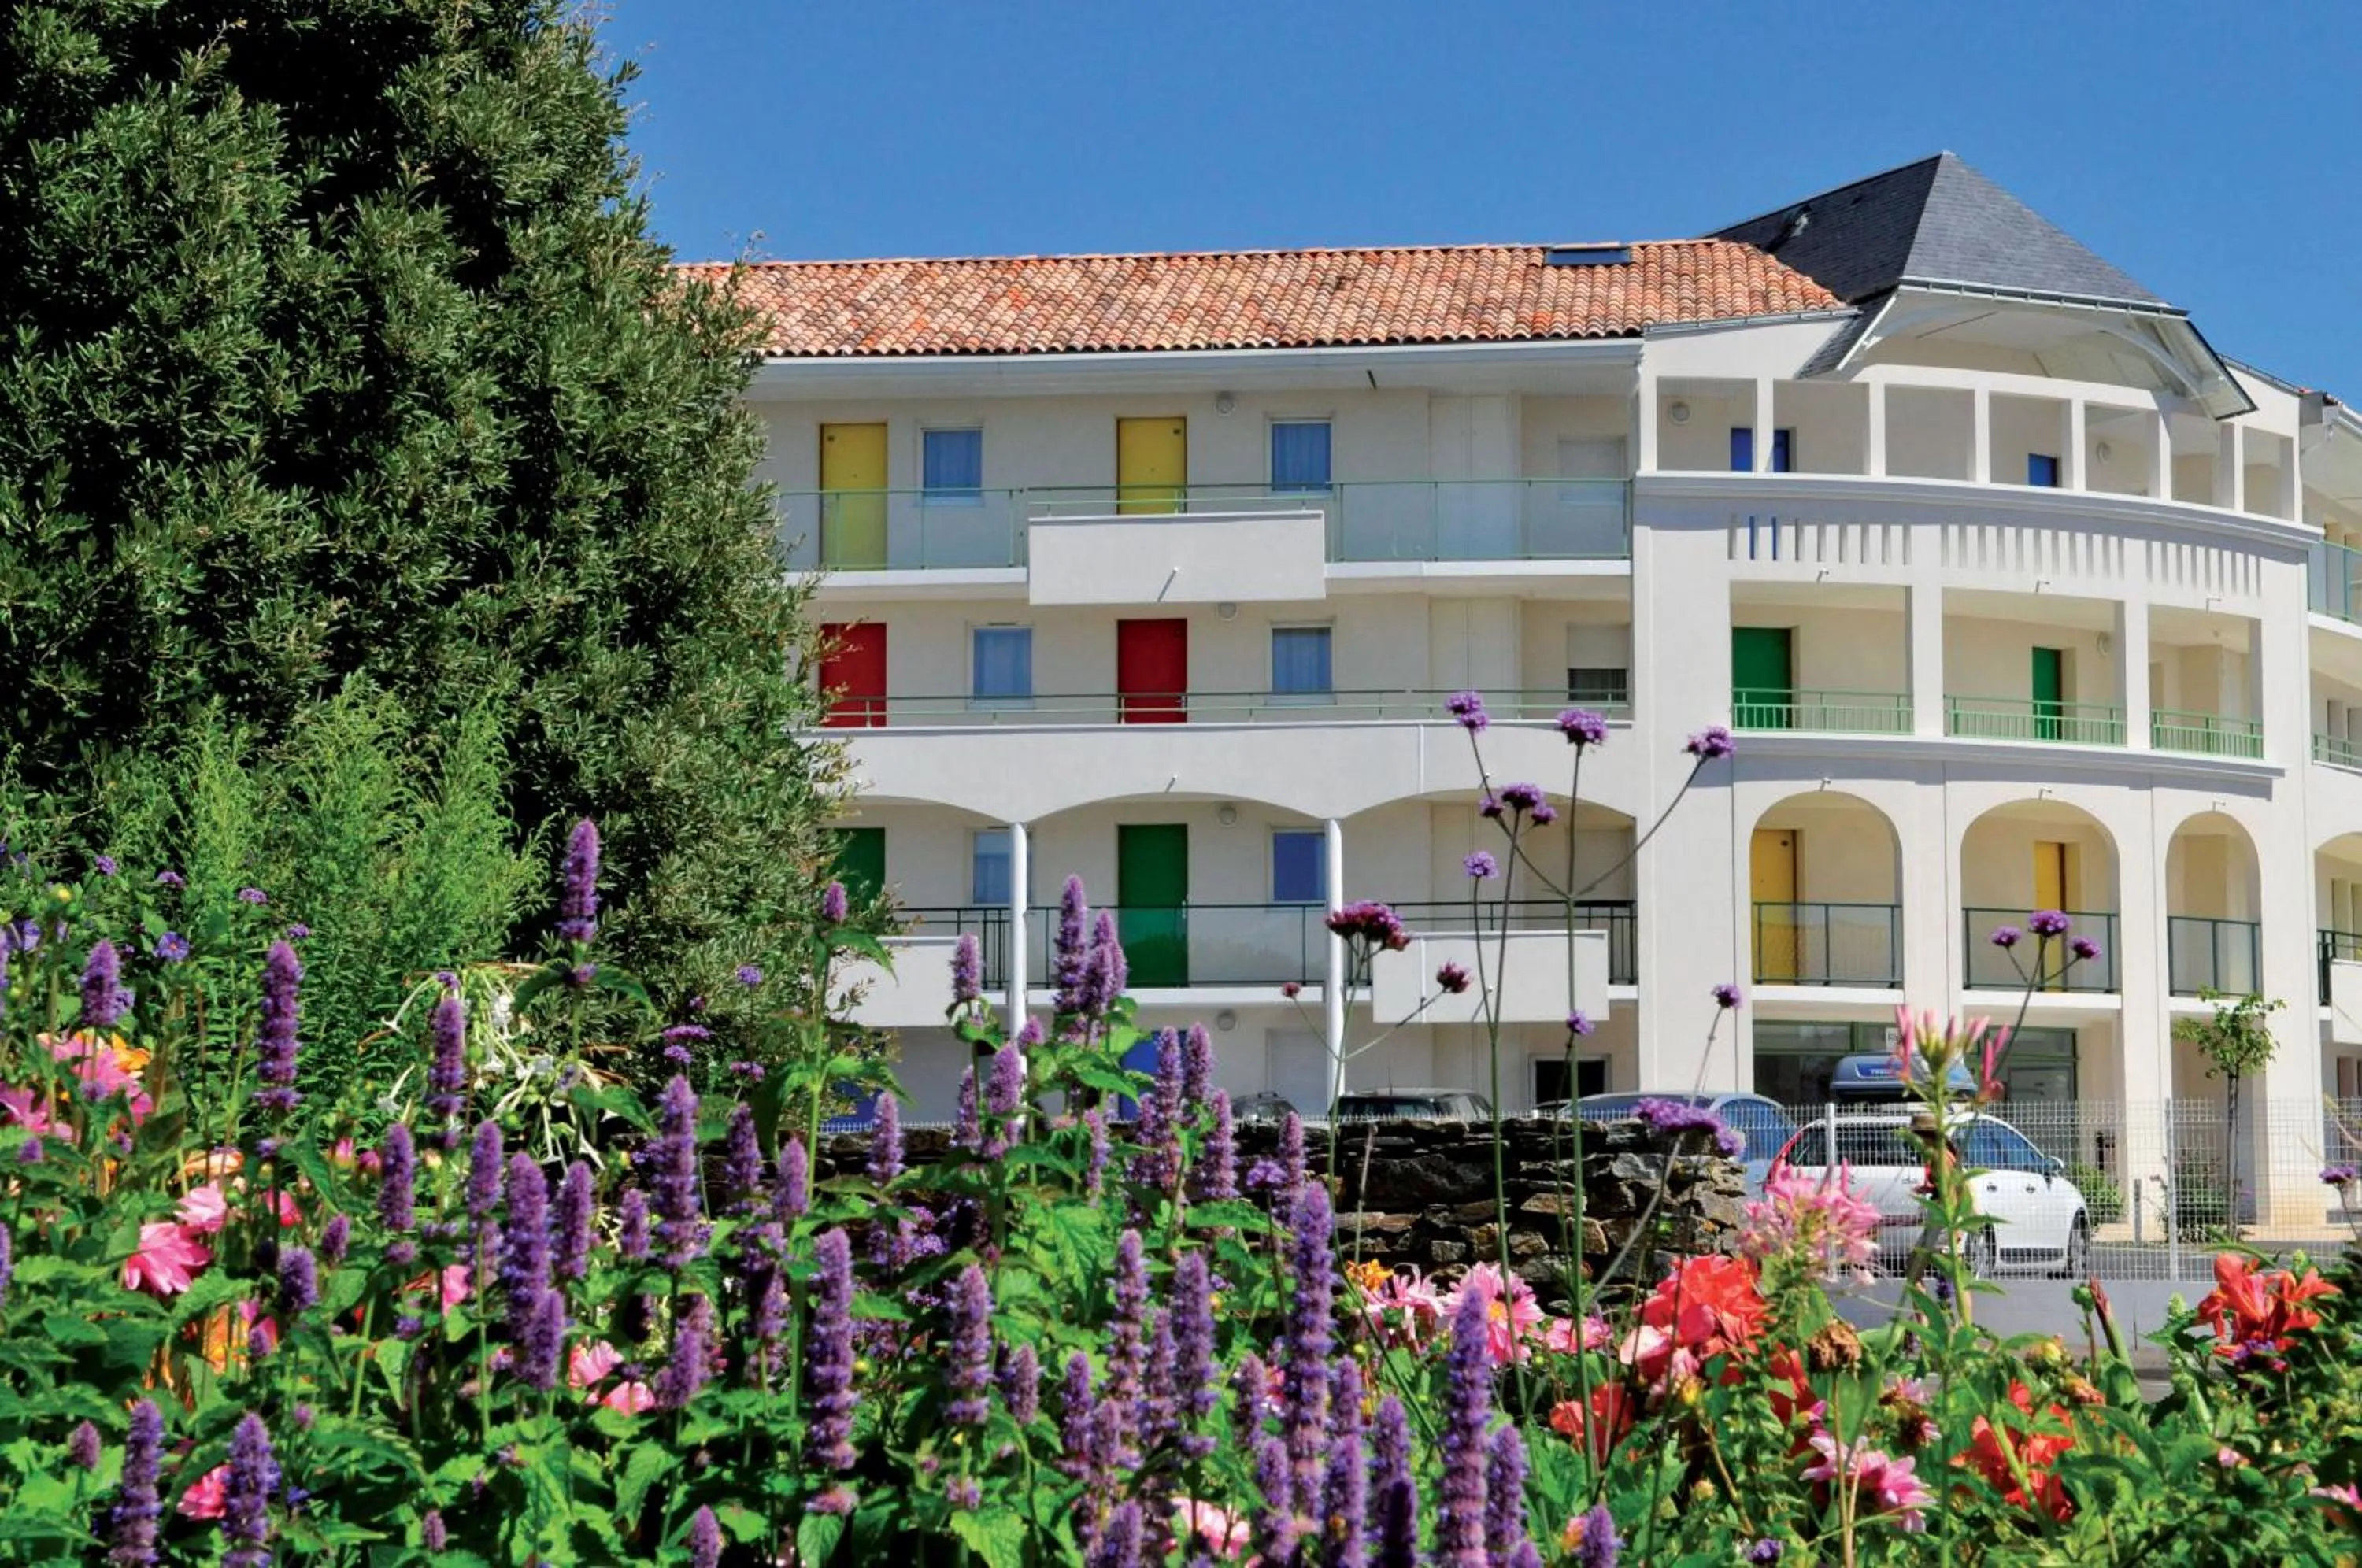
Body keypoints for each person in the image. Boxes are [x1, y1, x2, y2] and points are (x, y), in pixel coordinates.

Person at [1901, 1110, 1973, 1292]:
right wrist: (1929, 1189)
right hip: (1941, 1219)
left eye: (1914, 1137)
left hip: (1944, 1221)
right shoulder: (1941, 1156)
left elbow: (1951, 1194)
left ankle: (1939, 1308)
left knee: (1950, 1276)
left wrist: (1954, 1229)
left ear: (1924, 1136)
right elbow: (1948, 1187)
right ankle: (1934, 1308)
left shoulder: (1941, 1158)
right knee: (1951, 1276)